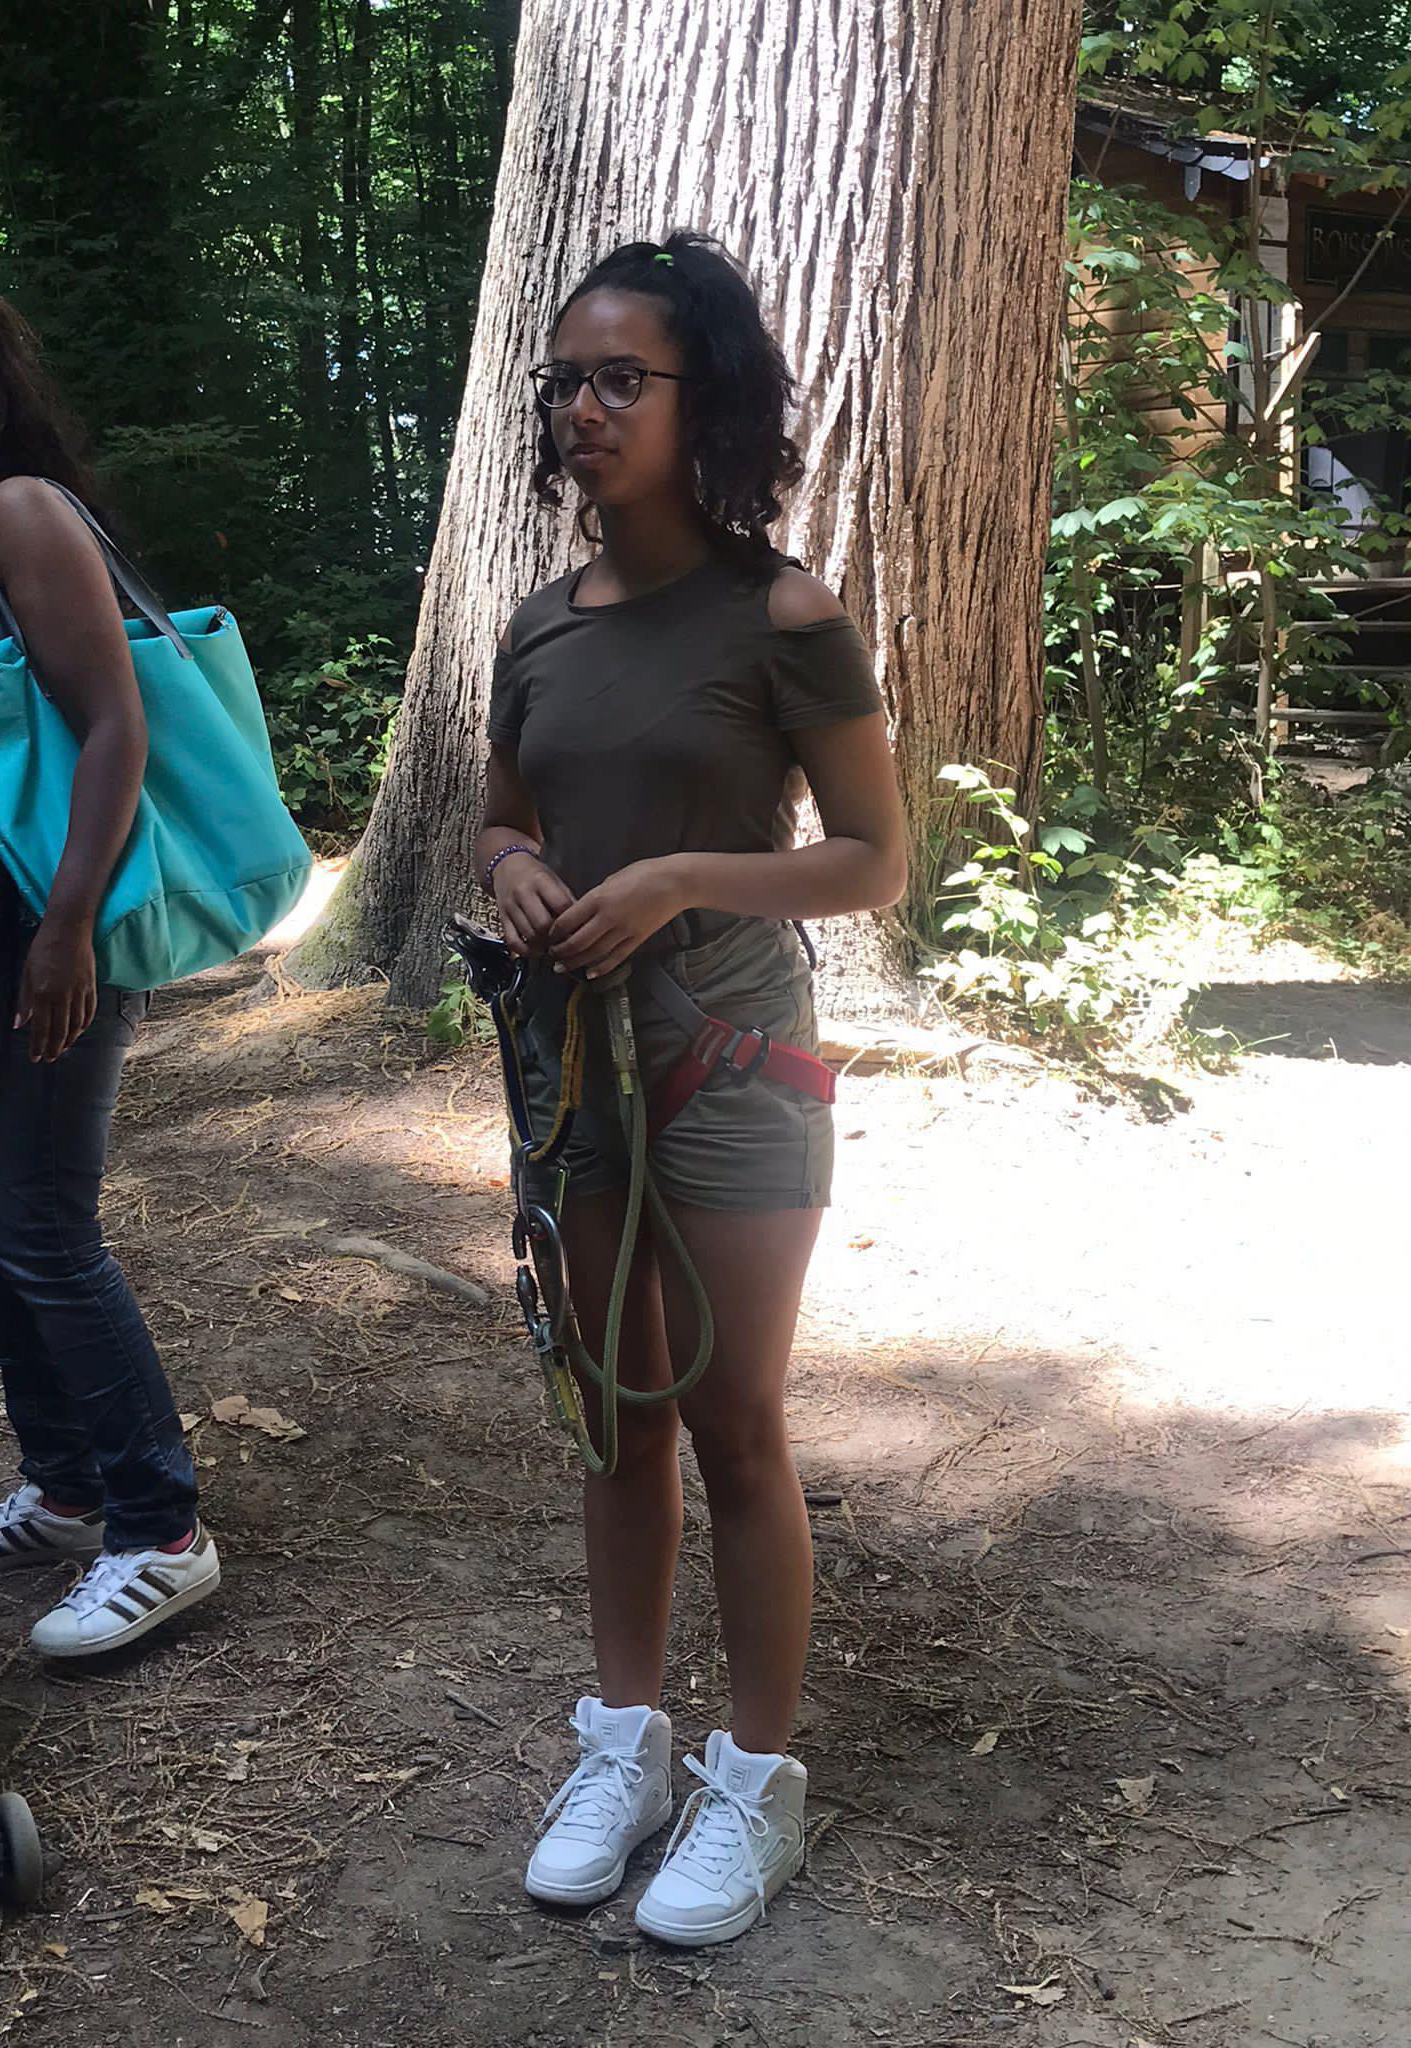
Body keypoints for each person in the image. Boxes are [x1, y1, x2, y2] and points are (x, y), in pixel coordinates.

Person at [476, 231, 907, 1946]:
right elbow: (500, 815)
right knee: (614, 1412)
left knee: (734, 1420)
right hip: (577, 1065)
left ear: (700, 398)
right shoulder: (536, 623)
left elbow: (873, 860)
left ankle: (756, 1779)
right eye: (565, 383)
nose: (584, 411)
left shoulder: (786, 615)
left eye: (620, 380)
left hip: (732, 1062)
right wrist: (514, 866)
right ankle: (627, 1744)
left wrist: (675, 881)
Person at [0, 266, 218, 1657]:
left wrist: (69, 927)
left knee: (41, 1228)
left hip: (37, 926)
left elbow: (115, 726)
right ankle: (68, 1489)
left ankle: (161, 1528)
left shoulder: (19, 512)